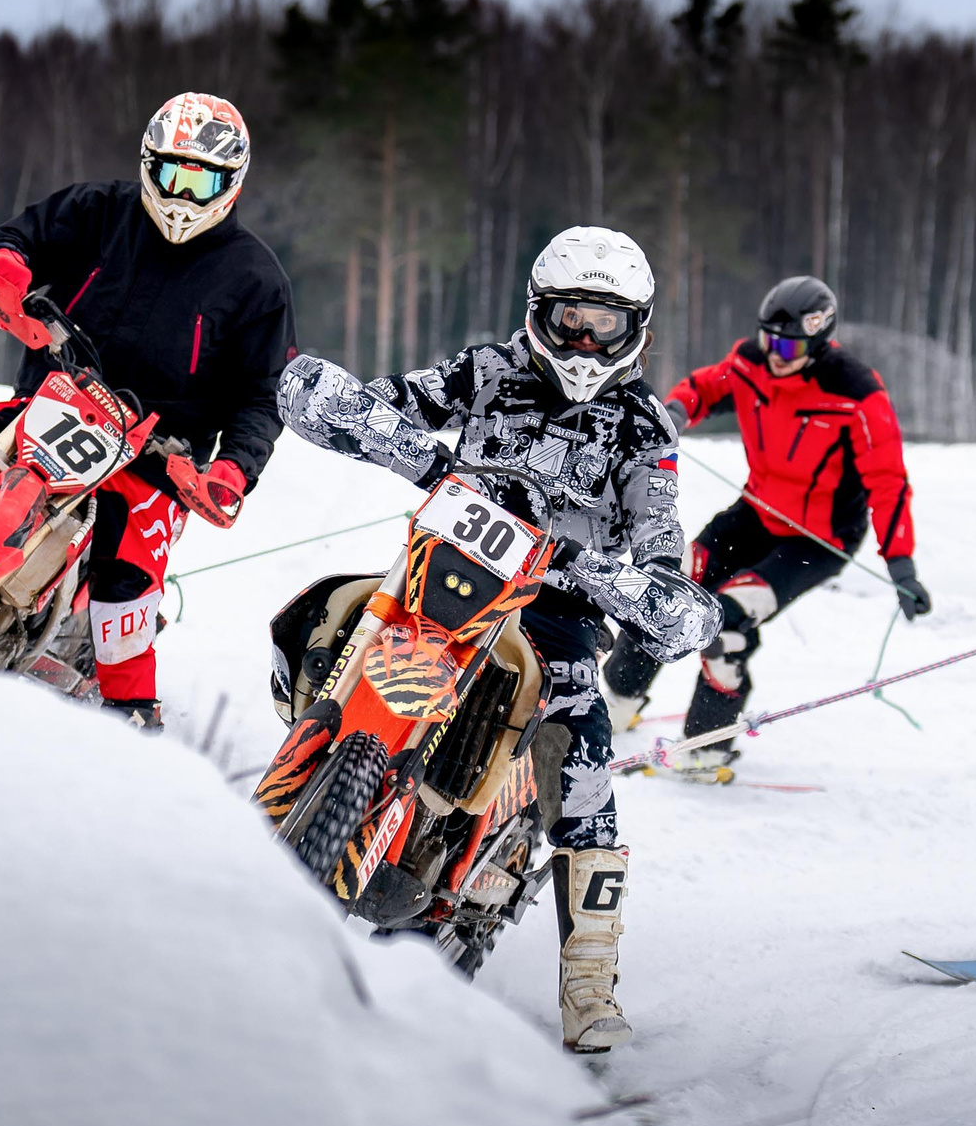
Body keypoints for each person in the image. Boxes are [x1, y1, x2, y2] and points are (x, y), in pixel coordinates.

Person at [275, 226, 722, 1053]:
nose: (584, 342)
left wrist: (652, 586)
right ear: (536, 315)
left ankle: (589, 982)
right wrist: (351, 409)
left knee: (582, 760)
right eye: (569, 320)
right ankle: (297, 777)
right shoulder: (488, 370)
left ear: (638, 332)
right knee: (320, 614)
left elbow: (661, 533)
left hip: (552, 611)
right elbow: (398, 401)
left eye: (605, 326)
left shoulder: (641, 427)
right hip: (439, 573)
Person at [0, 92, 296, 732]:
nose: (183, 196)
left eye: (202, 181)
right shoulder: (98, 211)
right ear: (147, 166)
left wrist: (233, 471)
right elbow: (20, 238)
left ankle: (131, 722)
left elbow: (263, 393)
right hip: (49, 408)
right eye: (171, 174)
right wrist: (4, 270)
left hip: (158, 459)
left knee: (125, 584)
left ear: (231, 185)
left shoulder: (255, 279)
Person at [600, 275, 929, 765]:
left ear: (818, 342)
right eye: (769, 339)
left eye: (790, 344)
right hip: (757, 513)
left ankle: (704, 749)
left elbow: (888, 483)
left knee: (727, 626)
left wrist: (900, 563)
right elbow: (706, 387)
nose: (776, 353)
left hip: (818, 540)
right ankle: (615, 704)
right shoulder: (753, 365)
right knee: (665, 590)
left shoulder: (855, 394)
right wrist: (674, 411)